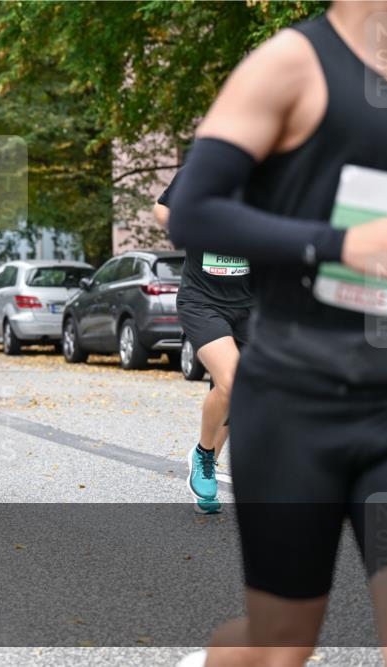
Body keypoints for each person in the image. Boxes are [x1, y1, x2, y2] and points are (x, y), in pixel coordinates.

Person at [168, 2, 387, 666]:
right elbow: (192, 212)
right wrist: (340, 243)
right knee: (280, 644)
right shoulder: (289, 65)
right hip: (296, 404)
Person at [154, 170, 253, 515]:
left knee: (234, 393)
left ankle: (207, 458)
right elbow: (162, 210)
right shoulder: (210, 164)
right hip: (202, 301)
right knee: (232, 380)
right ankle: (204, 454)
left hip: (253, 304)